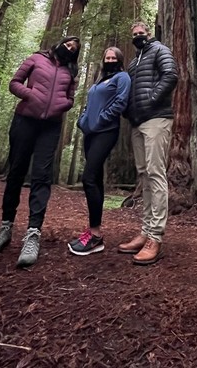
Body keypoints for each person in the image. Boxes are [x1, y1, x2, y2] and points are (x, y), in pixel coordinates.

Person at [0, 36, 81, 267]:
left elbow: (70, 98)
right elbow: (14, 82)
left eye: (74, 49)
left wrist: (63, 105)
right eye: (67, 44)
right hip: (25, 121)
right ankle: (5, 226)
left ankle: (33, 233)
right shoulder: (36, 59)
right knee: (16, 172)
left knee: (41, 176)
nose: (69, 49)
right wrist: (30, 95)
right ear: (59, 43)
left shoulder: (70, 72)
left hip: (51, 127)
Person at [118, 21, 178, 265]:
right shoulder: (133, 62)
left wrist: (151, 100)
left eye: (141, 33)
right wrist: (129, 112)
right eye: (134, 34)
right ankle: (145, 232)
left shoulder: (159, 50)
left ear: (149, 34)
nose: (138, 36)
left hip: (157, 118)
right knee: (143, 175)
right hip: (137, 123)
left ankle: (155, 236)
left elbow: (171, 74)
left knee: (155, 173)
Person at [68, 47, 131, 256]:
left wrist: (102, 119)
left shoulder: (122, 77)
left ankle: (94, 235)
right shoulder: (99, 80)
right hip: (90, 132)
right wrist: (83, 121)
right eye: (107, 57)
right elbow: (89, 104)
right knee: (95, 180)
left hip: (106, 131)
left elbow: (121, 102)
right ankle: (95, 233)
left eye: (114, 57)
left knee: (88, 178)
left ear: (119, 60)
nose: (110, 60)